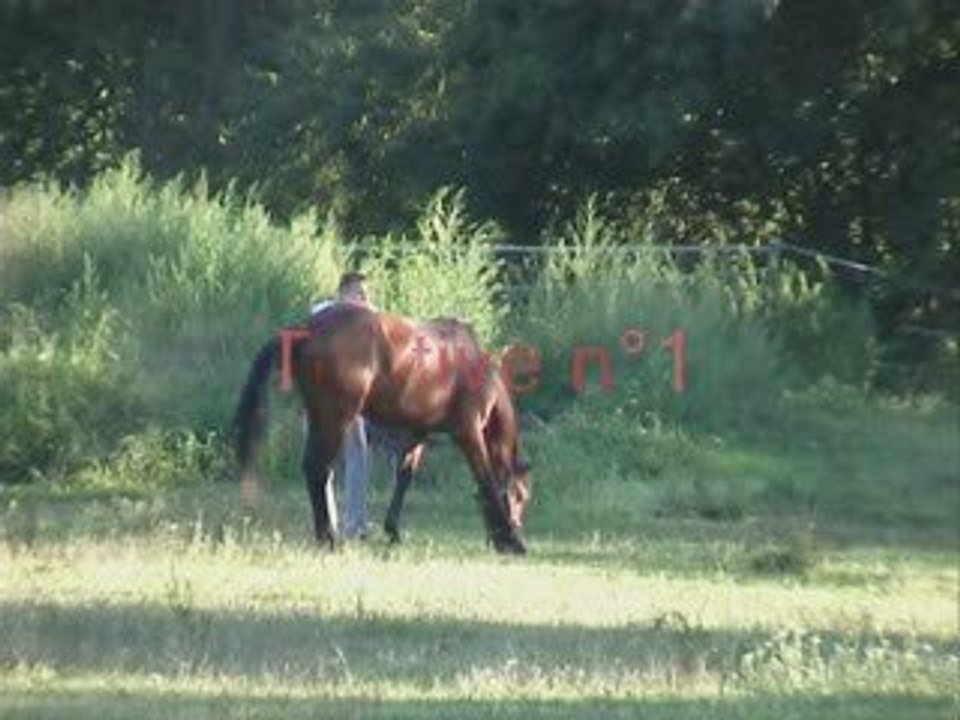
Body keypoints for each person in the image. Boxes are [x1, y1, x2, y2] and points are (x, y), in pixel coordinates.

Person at [310, 271, 372, 540]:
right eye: (360, 294)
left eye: (365, 295)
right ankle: (343, 524)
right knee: (333, 458)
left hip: (345, 396)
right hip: (328, 395)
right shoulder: (325, 313)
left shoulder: (357, 318)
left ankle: (350, 524)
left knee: (352, 454)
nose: (365, 300)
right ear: (344, 293)